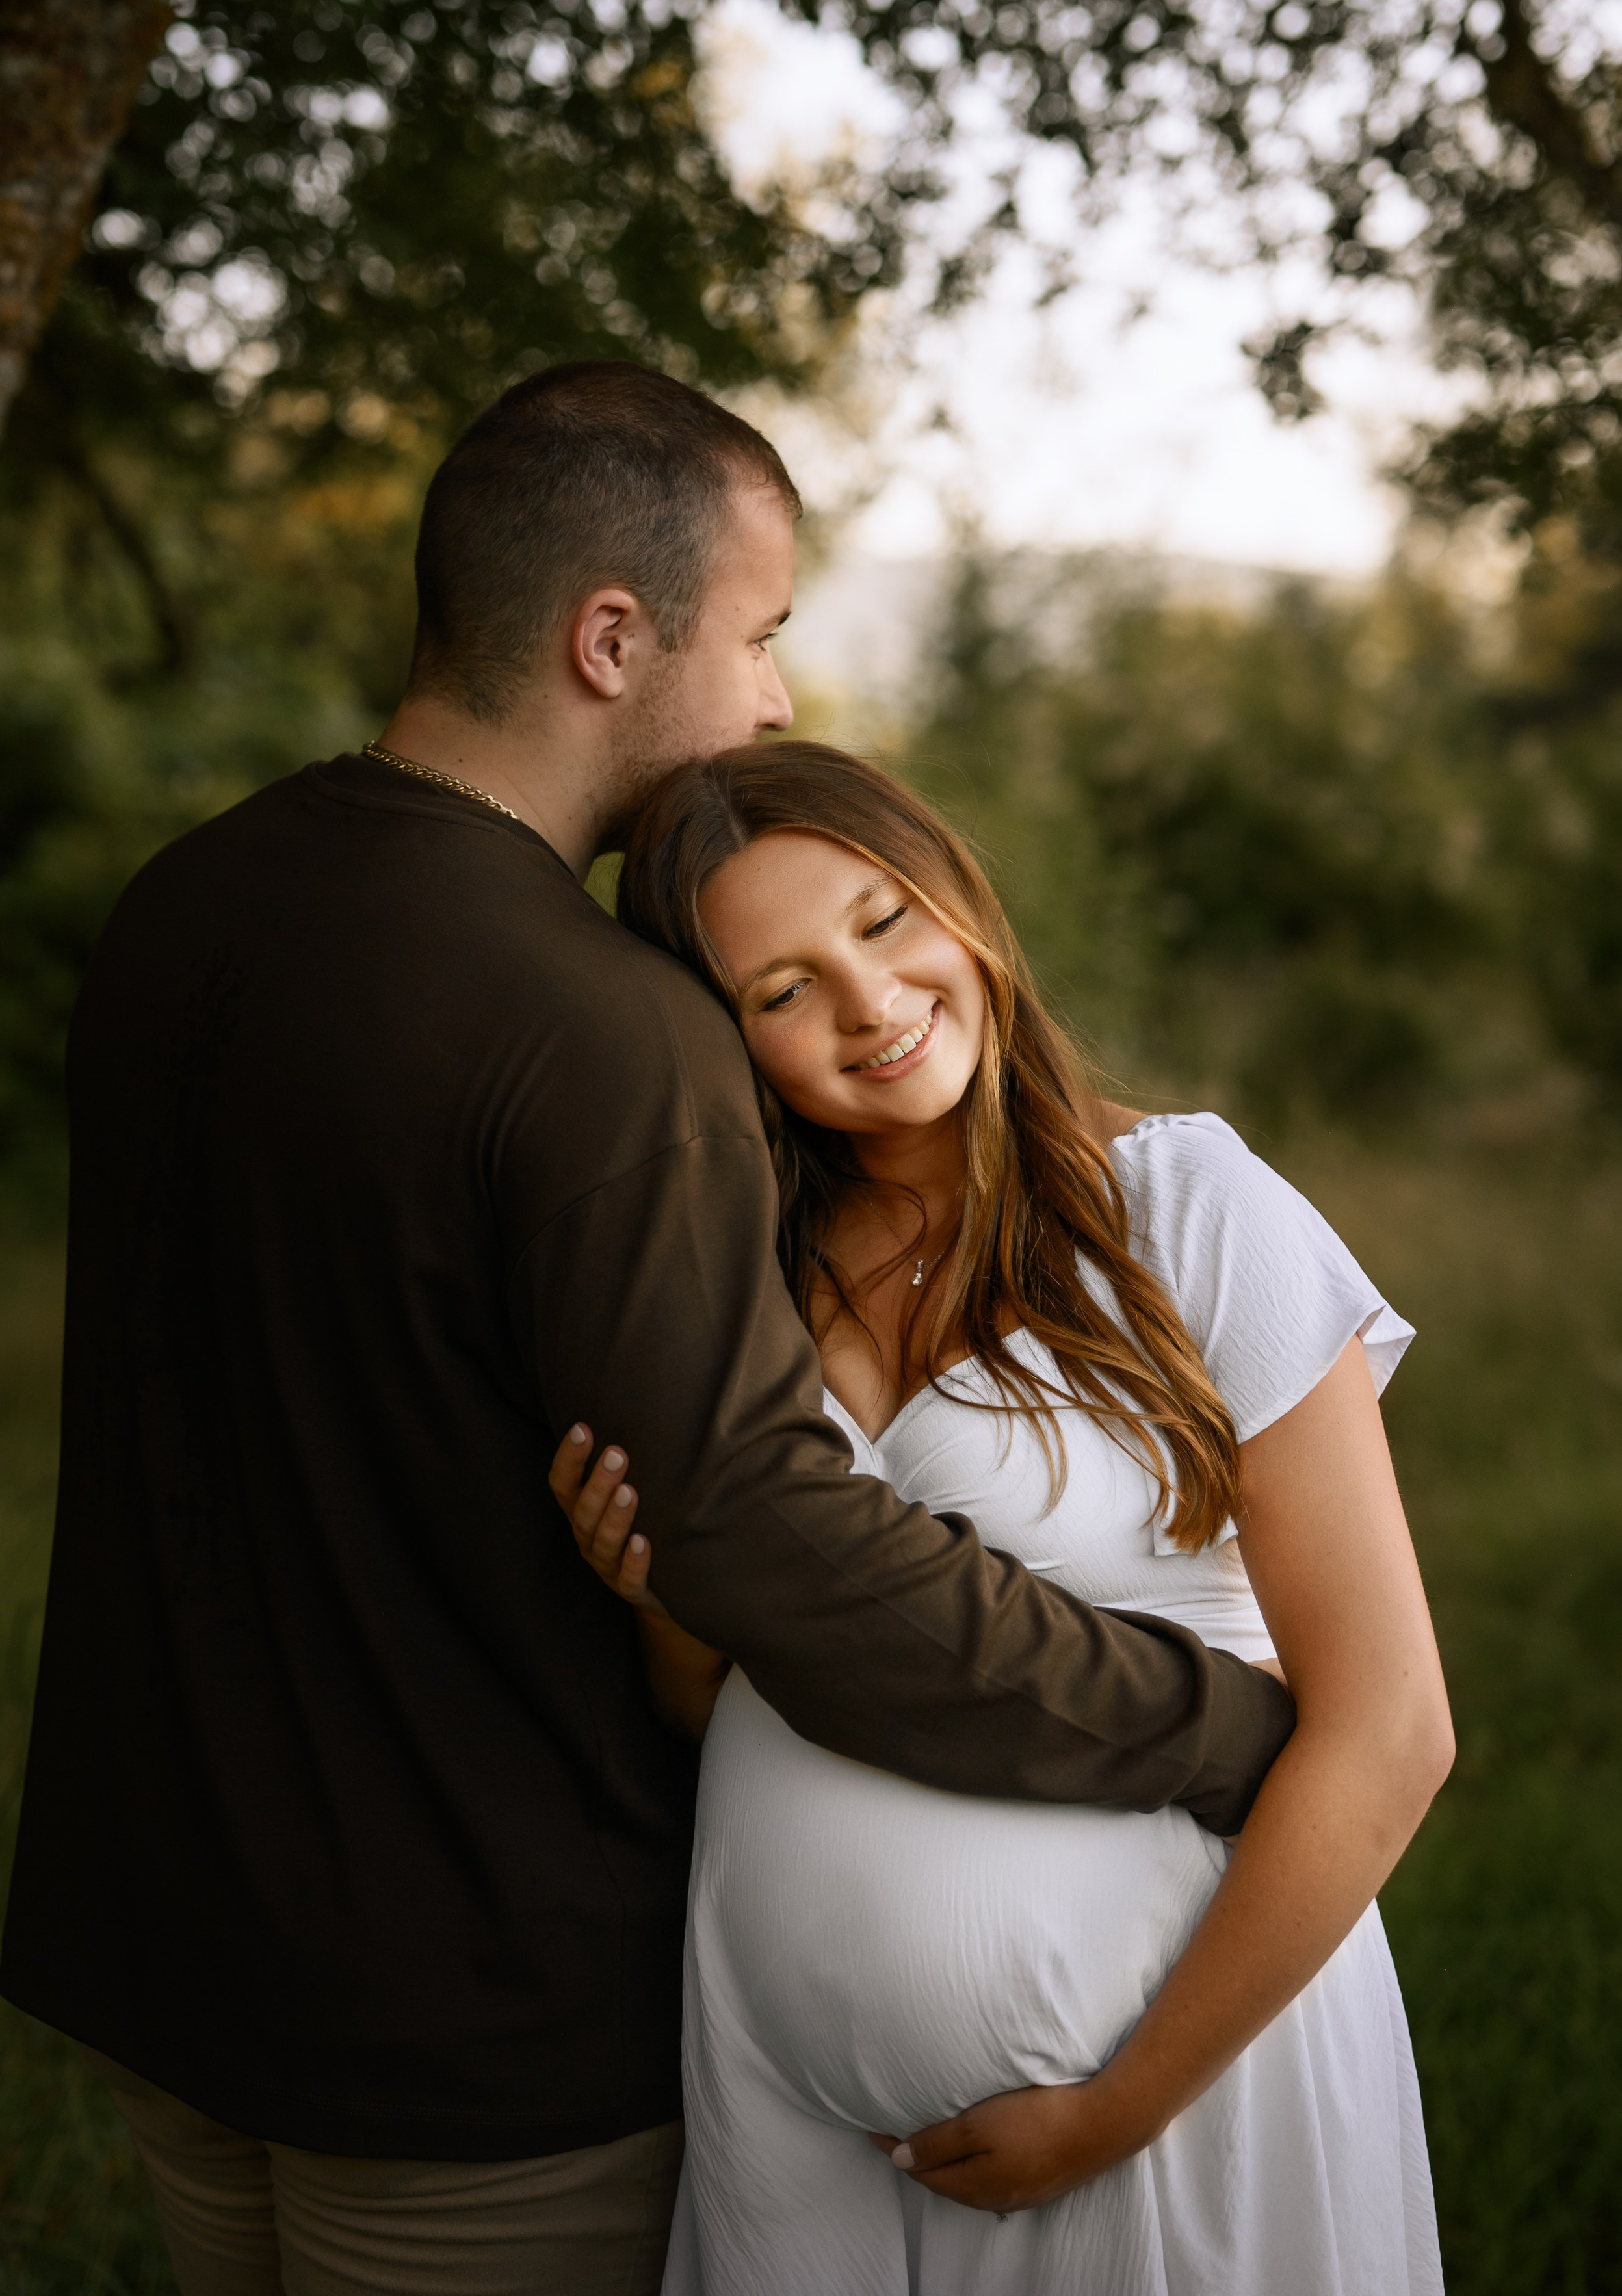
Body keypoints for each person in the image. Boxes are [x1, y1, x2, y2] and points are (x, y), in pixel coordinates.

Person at [0, 363, 1295, 2296]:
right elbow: (772, 1534)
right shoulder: (599, 1022)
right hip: (467, 2020)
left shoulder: (187, 904)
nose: (778, 696)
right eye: (761, 633)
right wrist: (1214, 1721)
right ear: (613, 637)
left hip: (172, 1960)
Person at [557, 738, 1454, 2296]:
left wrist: (1118, 2106)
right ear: (722, 1039)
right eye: (778, 990)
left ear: (959, 897)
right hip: (793, 2128)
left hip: (1167, 2098)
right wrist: (651, 1587)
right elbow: (714, 1701)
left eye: (881, 919)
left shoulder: (1186, 1209)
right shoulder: (751, 1276)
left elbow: (1390, 1733)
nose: (866, 1001)